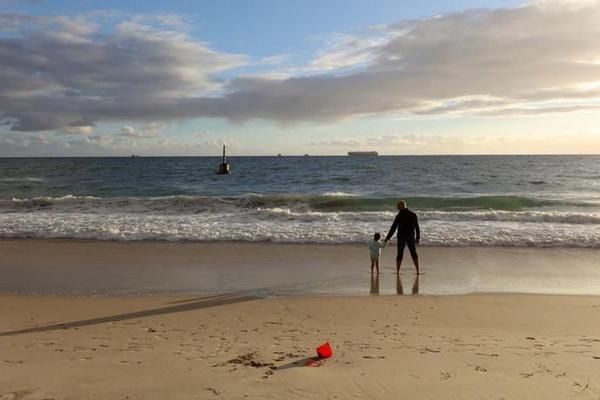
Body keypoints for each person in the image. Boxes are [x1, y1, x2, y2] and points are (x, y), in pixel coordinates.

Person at [384, 200, 421, 275]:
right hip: (411, 236)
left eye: (398, 206)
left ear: (401, 206)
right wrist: (417, 238)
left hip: (401, 237)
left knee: (400, 254)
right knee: (413, 253)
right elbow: (417, 227)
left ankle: (397, 271)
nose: (397, 207)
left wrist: (387, 238)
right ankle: (417, 271)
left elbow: (393, 228)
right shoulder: (413, 214)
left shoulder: (399, 216)